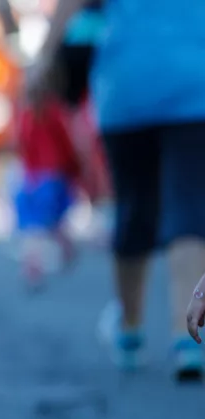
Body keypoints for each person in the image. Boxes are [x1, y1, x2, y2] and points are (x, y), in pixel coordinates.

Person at [30, 0, 205, 380]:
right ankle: (188, 338)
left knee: (133, 204)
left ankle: (130, 330)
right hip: (195, 78)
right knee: (190, 205)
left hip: (127, 82)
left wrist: (43, 59)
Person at [13, 97, 81, 289]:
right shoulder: (56, 114)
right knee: (49, 222)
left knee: (36, 226)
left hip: (35, 176)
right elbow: (66, 145)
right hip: (53, 175)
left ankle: (34, 267)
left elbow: (21, 145)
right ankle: (62, 253)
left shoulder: (27, 117)